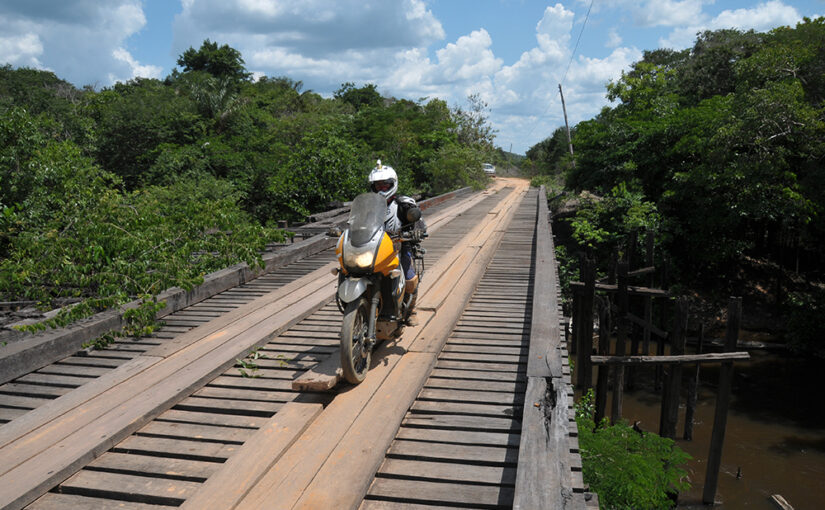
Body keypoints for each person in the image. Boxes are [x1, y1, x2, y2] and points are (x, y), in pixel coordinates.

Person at [368, 160, 423, 325]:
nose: (381, 189)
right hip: (373, 247)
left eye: (385, 185)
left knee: (407, 275)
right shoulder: (369, 204)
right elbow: (356, 220)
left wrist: (416, 231)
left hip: (398, 246)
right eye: (378, 186)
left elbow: (418, 221)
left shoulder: (404, 203)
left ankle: (411, 310)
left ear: (393, 184)